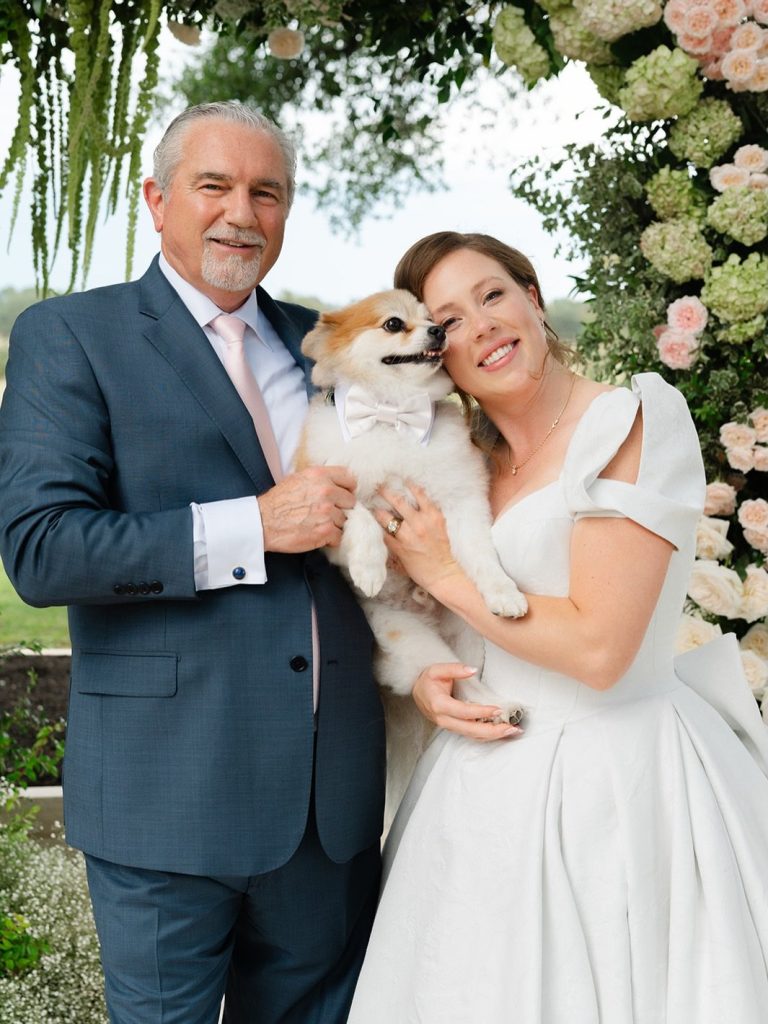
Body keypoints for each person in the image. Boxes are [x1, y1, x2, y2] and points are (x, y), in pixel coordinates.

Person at [0, 101, 385, 1024]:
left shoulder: (328, 345)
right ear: (157, 198)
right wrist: (252, 526)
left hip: (326, 810)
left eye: (267, 193)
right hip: (165, 796)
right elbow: (44, 550)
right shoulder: (72, 335)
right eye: (214, 186)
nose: (241, 214)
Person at [348, 231, 768, 1024]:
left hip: (623, 781)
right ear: (435, 353)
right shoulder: (462, 463)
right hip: (478, 797)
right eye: (450, 320)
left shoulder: (628, 422)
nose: (483, 325)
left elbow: (600, 651)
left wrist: (444, 571)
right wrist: (432, 681)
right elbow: (431, 617)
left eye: (494, 295)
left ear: (533, 299)